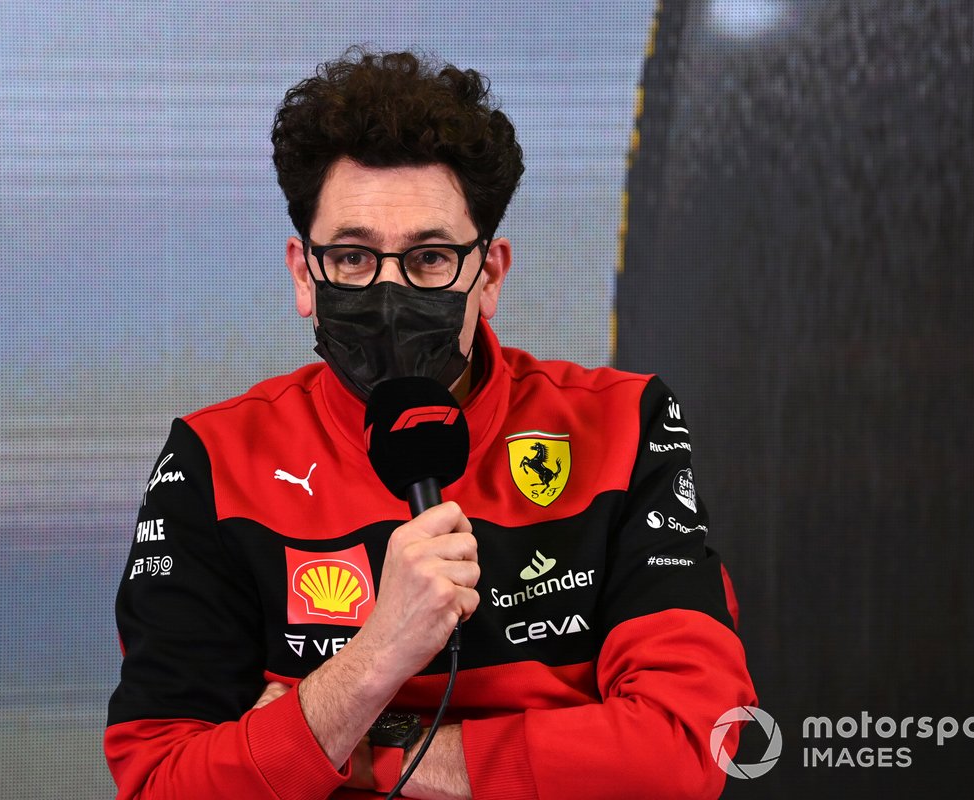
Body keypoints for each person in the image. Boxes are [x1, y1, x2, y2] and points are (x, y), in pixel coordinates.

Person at [105, 48, 755, 800]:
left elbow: (686, 748)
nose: (388, 292)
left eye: (430, 258)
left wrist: (358, 747)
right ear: (302, 274)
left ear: (490, 275)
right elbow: (163, 783)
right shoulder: (215, 460)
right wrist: (379, 655)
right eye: (352, 257)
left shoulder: (621, 427)